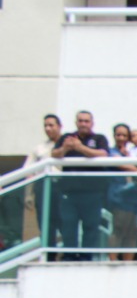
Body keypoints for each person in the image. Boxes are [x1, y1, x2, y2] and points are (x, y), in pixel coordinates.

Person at [51, 110, 111, 261]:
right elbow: (54, 154)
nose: (83, 124)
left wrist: (79, 148)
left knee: (91, 225)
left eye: (86, 121)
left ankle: (86, 256)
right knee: (68, 225)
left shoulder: (99, 138)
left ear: (92, 123)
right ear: (76, 122)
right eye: (80, 121)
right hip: (69, 192)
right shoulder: (67, 138)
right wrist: (65, 148)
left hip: (92, 192)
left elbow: (103, 154)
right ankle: (69, 255)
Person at [22, 113, 62, 243]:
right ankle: (49, 255)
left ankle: (70, 254)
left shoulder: (68, 144)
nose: (48, 128)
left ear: (59, 126)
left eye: (51, 125)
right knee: (45, 223)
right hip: (43, 188)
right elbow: (28, 171)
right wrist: (29, 194)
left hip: (62, 187)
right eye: (45, 125)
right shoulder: (39, 148)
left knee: (63, 221)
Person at [107, 122, 137, 261]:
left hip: (135, 195)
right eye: (118, 135)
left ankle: (128, 262)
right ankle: (113, 260)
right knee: (119, 228)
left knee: (133, 231)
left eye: (124, 135)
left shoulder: (134, 152)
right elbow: (120, 163)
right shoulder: (111, 151)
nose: (121, 138)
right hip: (119, 195)